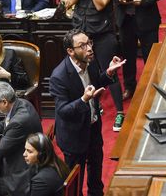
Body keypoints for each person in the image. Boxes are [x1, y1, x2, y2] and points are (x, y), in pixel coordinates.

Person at [49, 29, 126, 196]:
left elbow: (97, 81)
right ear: (71, 51)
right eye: (82, 46)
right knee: (75, 181)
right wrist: (83, 100)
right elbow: (63, 112)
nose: (89, 48)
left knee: (96, 170)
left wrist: (109, 73)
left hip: (93, 126)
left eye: (89, 43)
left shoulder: (89, 61)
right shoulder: (59, 76)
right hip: (73, 135)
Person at [61, 0, 126, 131]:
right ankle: (94, 106)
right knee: (87, 72)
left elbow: (100, 5)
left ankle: (120, 112)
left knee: (109, 72)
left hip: (103, 33)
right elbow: (68, 3)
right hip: (82, 34)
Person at [109, 0, 166, 100]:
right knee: (127, 56)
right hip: (125, 19)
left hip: (147, 19)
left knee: (150, 56)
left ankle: (153, 87)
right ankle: (130, 87)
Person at [0, 81, 42, 196]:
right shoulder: (21, 103)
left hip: (21, 174)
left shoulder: (20, 121)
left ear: (4, 102)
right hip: (17, 160)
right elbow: (4, 124)